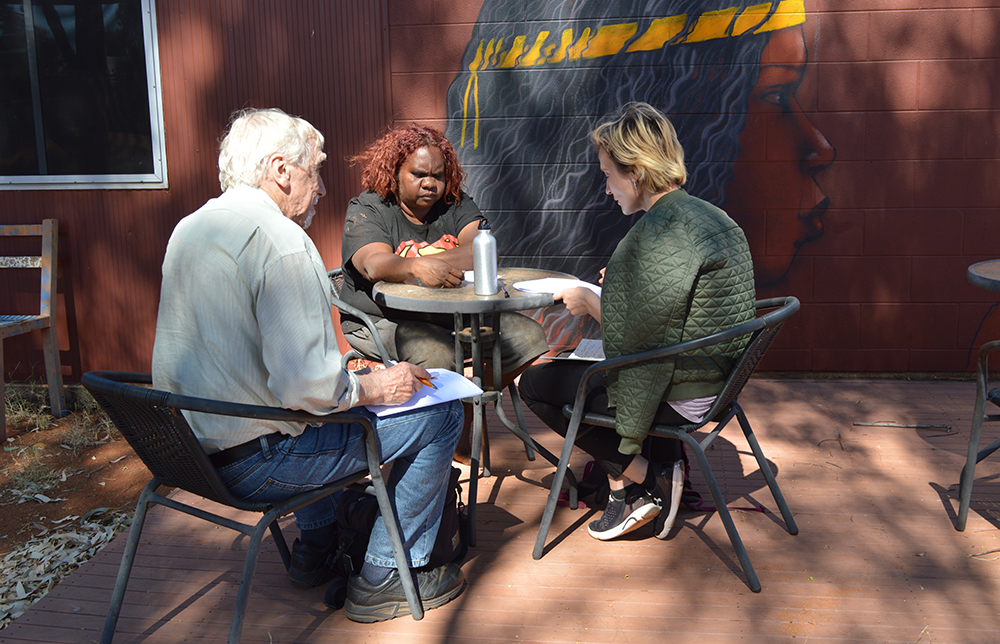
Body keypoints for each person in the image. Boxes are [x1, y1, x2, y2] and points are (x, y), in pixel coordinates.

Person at [151, 108, 466, 623]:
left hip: (192, 455)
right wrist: (376, 385)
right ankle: (389, 572)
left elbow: (261, 362)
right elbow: (310, 390)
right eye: (315, 170)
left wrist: (346, 378)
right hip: (257, 466)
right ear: (281, 170)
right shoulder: (279, 240)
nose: (321, 188)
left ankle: (316, 545)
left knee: (320, 405)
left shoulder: (191, 226)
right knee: (439, 416)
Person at [445, 0, 833, 350]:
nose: (821, 148)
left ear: (637, 170)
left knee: (543, 383)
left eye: (776, 94)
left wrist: (589, 299)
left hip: (673, 390)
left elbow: (648, 341)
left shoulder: (670, 234)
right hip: (700, 380)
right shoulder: (694, 221)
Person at [518, 102, 756, 541]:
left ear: (638, 172)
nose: (606, 189)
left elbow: (640, 344)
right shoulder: (706, 214)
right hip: (715, 379)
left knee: (535, 385)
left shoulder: (659, 232)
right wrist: (626, 286)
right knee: (577, 369)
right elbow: (675, 299)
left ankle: (648, 479)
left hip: (685, 388)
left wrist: (590, 301)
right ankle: (641, 475)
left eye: (609, 175)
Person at [338, 125, 549, 461]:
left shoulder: (455, 204)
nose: (430, 184)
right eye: (418, 174)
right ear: (393, 173)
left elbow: (483, 251)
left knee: (528, 336)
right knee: (438, 356)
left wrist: (422, 261)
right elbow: (374, 264)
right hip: (382, 318)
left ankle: (465, 410)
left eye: (438, 175)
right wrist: (415, 268)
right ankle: (437, 435)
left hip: (450, 313)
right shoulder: (369, 207)